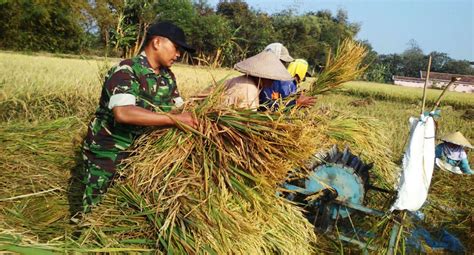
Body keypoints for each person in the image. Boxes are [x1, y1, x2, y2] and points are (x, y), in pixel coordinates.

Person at [80, 21, 198, 214]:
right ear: (157, 43)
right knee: (96, 211)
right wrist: (175, 120)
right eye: (176, 48)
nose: (178, 55)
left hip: (141, 154)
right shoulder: (127, 70)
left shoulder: (167, 77)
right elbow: (123, 113)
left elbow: (179, 107)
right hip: (109, 152)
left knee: (122, 212)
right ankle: (81, 237)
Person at [221, 50, 293, 110]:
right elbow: (245, 120)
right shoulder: (250, 90)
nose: (272, 83)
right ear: (263, 76)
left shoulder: (240, 79)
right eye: (271, 79)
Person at [260, 43, 315, 111]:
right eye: (282, 62)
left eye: (284, 63)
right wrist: (296, 103)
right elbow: (267, 105)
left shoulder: (274, 79)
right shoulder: (264, 80)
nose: (283, 66)